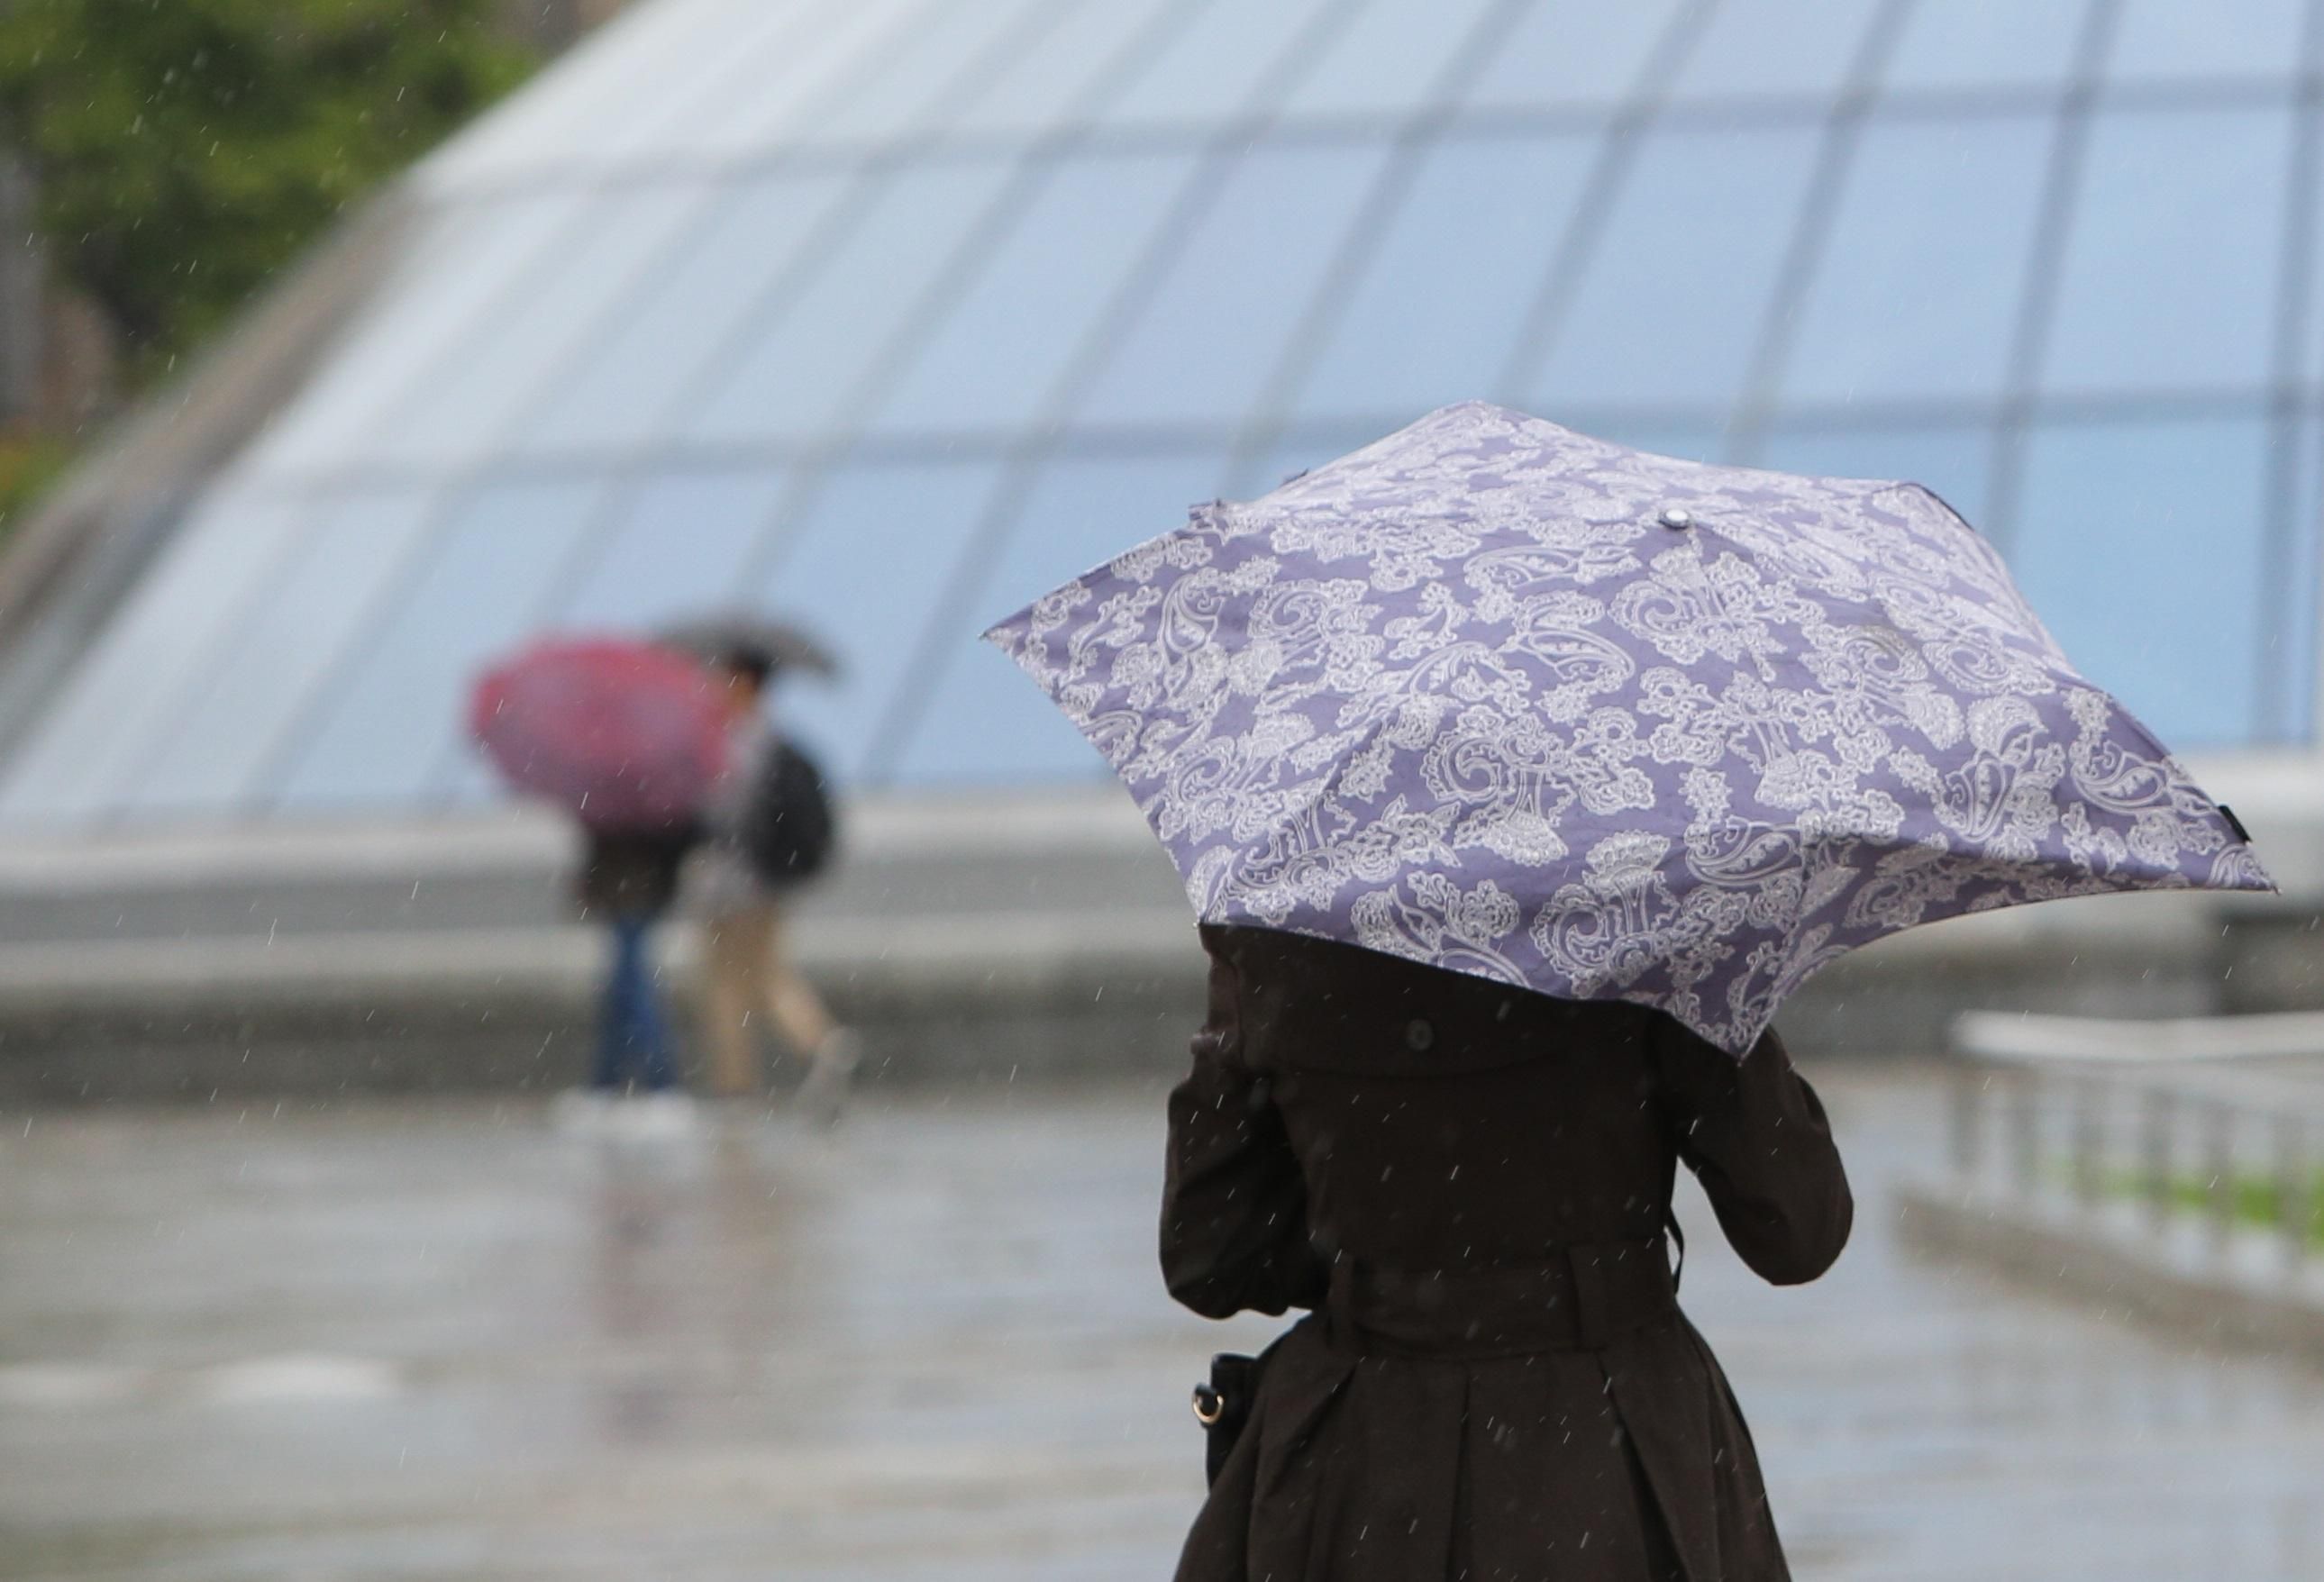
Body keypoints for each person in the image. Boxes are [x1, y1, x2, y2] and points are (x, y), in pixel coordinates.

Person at [1163, 923, 1852, 1582]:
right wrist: (1728, 989)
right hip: (1614, 1455)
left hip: (1361, 1465)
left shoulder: (1280, 928)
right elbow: (1798, 1230)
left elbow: (1211, 1257)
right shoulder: (1645, 919)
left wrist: (1385, 1266)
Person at [688, 647, 858, 1123]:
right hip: (763, 883)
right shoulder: (777, 745)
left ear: (744, 683)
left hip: (731, 885)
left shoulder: (734, 746)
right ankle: (818, 1048)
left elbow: (720, 816)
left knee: (732, 985)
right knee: (759, 974)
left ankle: (747, 1080)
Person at [557, 819, 700, 1138]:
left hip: (630, 888)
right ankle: (609, 1084)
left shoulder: (626, 808)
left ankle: (656, 1084)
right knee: (623, 990)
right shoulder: (651, 805)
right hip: (637, 886)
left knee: (630, 990)